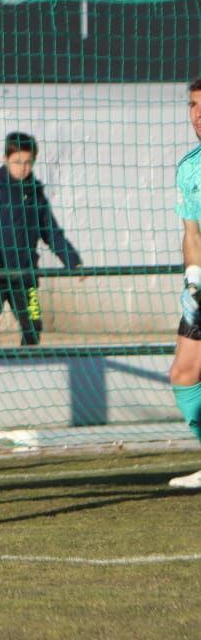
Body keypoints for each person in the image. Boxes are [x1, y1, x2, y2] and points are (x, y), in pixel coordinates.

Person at [0, 132, 81, 348]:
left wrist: (72, 260)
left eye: (28, 162)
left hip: (24, 271)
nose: (23, 167)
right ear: (5, 159)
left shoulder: (35, 192)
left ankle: (27, 359)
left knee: (33, 325)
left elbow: (51, 231)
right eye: (17, 161)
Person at [167, 80, 201, 489]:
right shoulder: (190, 166)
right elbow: (191, 232)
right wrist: (194, 279)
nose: (198, 113)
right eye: (193, 105)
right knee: (183, 373)